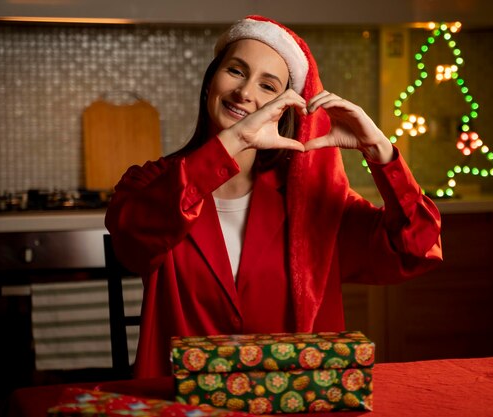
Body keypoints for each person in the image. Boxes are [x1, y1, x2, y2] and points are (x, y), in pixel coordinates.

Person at [105, 15, 443, 378]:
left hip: (289, 404)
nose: (245, 93)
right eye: (236, 71)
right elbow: (132, 239)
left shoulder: (311, 201)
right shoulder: (152, 184)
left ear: (284, 110)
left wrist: (382, 153)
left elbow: (416, 249)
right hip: (181, 403)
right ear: (209, 83)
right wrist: (233, 142)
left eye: (268, 86)